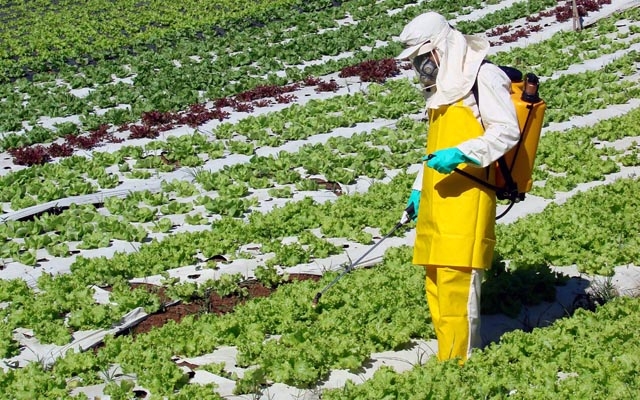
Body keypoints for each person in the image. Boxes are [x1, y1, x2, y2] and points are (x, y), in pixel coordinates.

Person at [397, 11, 520, 363]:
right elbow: (435, 150)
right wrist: (419, 188)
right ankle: (446, 359)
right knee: (435, 283)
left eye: (423, 56)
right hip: (438, 199)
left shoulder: (484, 76)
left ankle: (461, 363)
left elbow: (506, 131)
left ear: (441, 47)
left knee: (458, 284)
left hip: (467, 196)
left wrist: (462, 154)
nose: (421, 66)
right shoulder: (442, 91)